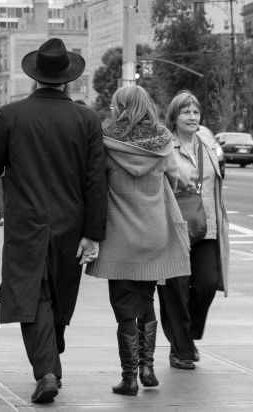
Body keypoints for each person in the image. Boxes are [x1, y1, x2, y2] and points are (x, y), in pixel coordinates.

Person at [0, 38, 107, 404]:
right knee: (57, 294)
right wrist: (93, 233)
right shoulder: (87, 119)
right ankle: (51, 357)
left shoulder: (11, 115)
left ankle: (47, 369)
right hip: (71, 225)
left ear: (34, 77)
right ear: (68, 80)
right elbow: (96, 180)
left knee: (31, 296)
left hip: (25, 224)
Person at [85, 85, 190, 396]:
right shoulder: (163, 141)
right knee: (146, 299)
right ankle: (148, 367)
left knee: (123, 306)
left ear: (120, 106)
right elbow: (174, 179)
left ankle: (129, 377)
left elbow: (95, 183)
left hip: (119, 236)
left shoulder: (105, 140)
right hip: (155, 231)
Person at [157, 91, 229, 370]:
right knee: (175, 290)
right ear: (174, 117)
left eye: (196, 112)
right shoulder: (164, 146)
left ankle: (187, 334)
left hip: (206, 226)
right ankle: (181, 349)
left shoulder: (207, 145)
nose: (192, 117)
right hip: (173, 229)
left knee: (207, 283)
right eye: (186, 112)